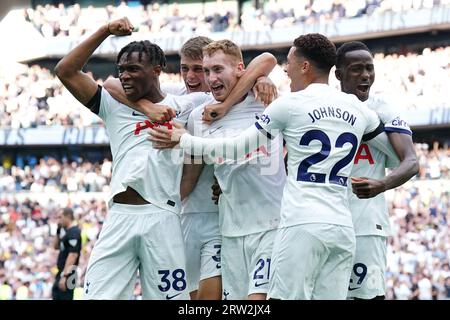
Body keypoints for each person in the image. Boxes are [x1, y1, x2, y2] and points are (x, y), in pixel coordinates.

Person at [150, 33, 399, 299]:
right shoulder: (355, 107)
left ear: (304, 66)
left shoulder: (280, 103)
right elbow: (395, 152)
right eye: (206, 70)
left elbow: (236, 147)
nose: (285, 69)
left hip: (289, 224)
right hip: (330, 226)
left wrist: (183, 140)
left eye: (290, 62)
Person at [103, 36, 278, 300]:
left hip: (220, 220)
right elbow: (110, 83)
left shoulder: (214, 100)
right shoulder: (182, 101)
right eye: (186, 68)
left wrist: (258, 81)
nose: (193, 76)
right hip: (180, 217)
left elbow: (266, 59)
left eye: (202, 69)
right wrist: (147, 107)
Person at [54, 17, 194, 299]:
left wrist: (263, 78)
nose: (125, 75)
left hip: (163, 218)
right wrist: (104, 30)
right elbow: (66, 70)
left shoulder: (185, 107)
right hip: (119, 216)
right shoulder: (112, 105)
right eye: (122, 70)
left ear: (157, 70)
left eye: (133, 69)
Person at [152, 39, 286, 300]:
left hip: (272, 224)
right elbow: (191, 174)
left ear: (239, 69)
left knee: (258, 301)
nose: (210, 77)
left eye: (217, 70)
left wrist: (184, 139)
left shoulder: (266, 100)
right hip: (230, 230)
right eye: (207, 71)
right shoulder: (198, 116)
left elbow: (267, 58)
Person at [334, 41, 419, 299]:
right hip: (326, 218)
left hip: (367, 222)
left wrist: (381, 184)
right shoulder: (324, 107)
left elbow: (411, 162)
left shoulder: (383, 108)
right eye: (356, 69)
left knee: (369, 295)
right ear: (338, 74)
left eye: (369, 68)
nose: (365, 75)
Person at [52, 208, 81, 300]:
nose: (58, 220)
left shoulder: (74, 232)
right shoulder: (65, 232)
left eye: (60, 217)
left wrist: (65, 276)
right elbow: (55, 246)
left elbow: (73, 255)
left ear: (68, 216)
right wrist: (58, 230)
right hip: (61, 272)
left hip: (69, 273)